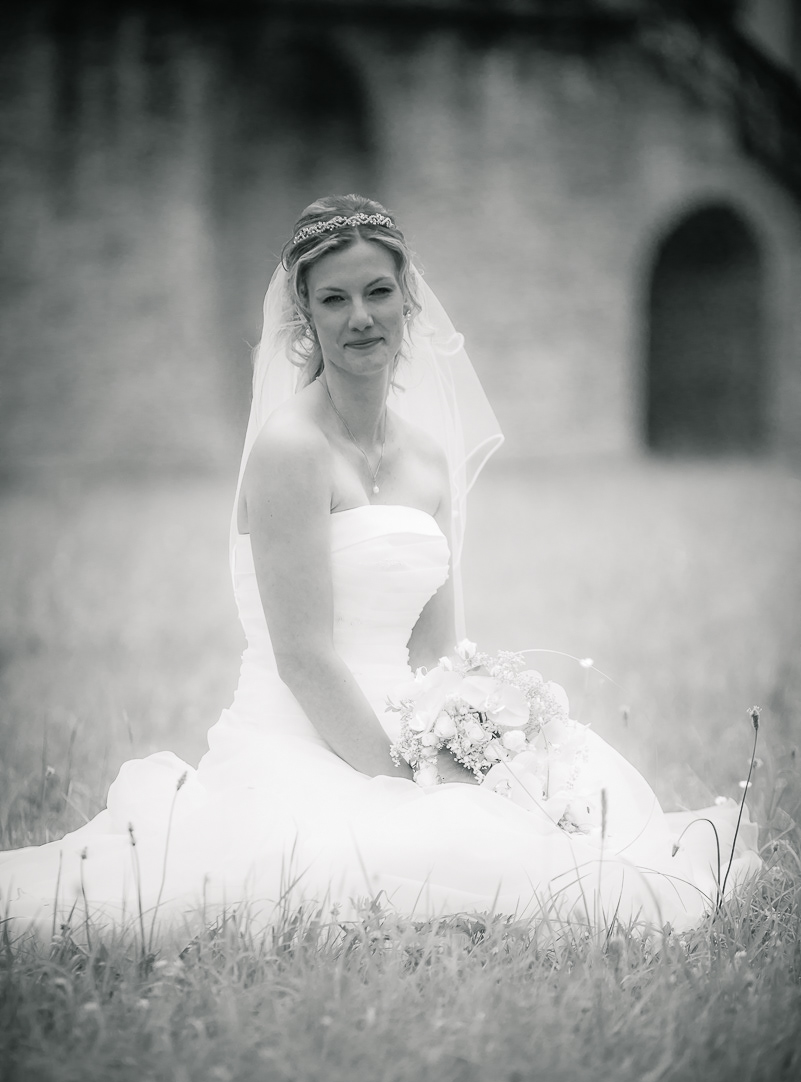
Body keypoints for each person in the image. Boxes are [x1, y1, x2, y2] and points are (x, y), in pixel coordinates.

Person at [0, 195, 761, 941]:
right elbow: (304, 659)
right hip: (300, 738)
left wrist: (478, 744)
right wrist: (407, 784)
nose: (360, 317)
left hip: (406, 730)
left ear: (408, 301)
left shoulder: (427, 458)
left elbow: (437, 653)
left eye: (377, 292)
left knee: (571, 802)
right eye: (334, 299)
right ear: (305, 314)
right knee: (427, 859)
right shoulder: (291, 450)